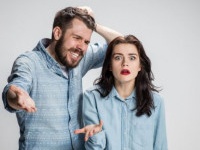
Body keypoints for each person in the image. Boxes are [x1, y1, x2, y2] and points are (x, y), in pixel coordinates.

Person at [2, 6, 122, 150]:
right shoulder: (29, 62)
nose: (81, 47)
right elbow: (15, 89)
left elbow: (121, 45)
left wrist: (93, 25)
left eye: (86, 42)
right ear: (58, 33)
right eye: (76, 38)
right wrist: (18, 97)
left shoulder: (78, 58)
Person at [78, 35, 168, 149]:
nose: (125, 63)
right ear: (110, 65)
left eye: (132, 58)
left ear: (140, 65)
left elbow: (160, 146)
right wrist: (95, 136)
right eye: (118, 58)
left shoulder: (156, 101)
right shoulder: (92, 97)